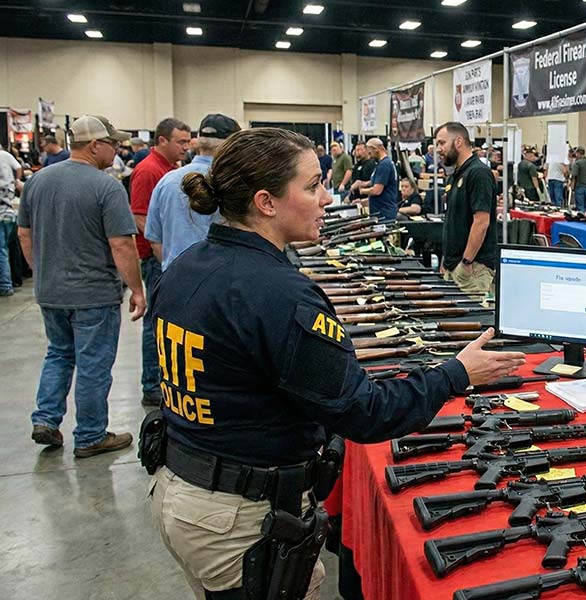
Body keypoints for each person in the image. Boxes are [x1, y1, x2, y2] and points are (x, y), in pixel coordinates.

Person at [150, 126, 525, 599]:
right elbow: (363, 412)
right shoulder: (280, 294)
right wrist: (455, 373)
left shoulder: (187, 266)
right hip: (237, 518)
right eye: (311, 187)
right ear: (266, 202)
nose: (326, 198)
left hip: (186, 491)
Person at [18, 115, 144, 457]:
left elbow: (24, 234)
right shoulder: (107, 187)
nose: (117, 149)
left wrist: (42, 271)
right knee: (93, 363)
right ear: (94, 146)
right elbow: (121, 244)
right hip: (93, 293)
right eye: (113, 143)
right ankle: (90, 435)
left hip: (51, 291)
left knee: (58, 353)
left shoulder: (37, 182)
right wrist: (136, 288)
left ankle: (46, 419)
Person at [130, 117, 191, 407]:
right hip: (158, 260)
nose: (186, 147)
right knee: (156, 324)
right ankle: (152, 384)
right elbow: (141, 219)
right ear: (162, 140)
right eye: (180, 141)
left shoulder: (169, 170)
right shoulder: (148, 171)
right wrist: (165, 257)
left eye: (187, 141)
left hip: (166, 259)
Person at [144, 113, 240, 272]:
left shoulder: (167, 182)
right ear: (232, 146)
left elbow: (155, 240)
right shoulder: (235, 184)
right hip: (223, 282)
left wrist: (176, 271)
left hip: (175, 281)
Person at [436, 121, 499, 296]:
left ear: (458, 142)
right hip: (453, 266)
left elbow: (481, 222)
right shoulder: (456, 174)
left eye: (442, 143)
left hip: (472, 269)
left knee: (473, 320)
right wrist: (446, 262)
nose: (438, 149)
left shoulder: (478, 173)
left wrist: (466, 262)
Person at [351, 138, 399, 220]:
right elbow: (378, 182)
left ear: (375, 149)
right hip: (378, 211)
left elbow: (377, 190)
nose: (369, 155)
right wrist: (364, 185)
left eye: (369, 152)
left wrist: (362, 190)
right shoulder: (381, 164)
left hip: (384, 213)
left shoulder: (384, 165)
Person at [0, 142, 22, 296]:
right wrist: (15, 182)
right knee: (8, 249)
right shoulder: (6, 156)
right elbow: (18, 168)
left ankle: (5, 285)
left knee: (2, 251)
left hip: (2, 212)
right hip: (9, 212)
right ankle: (11, 281)